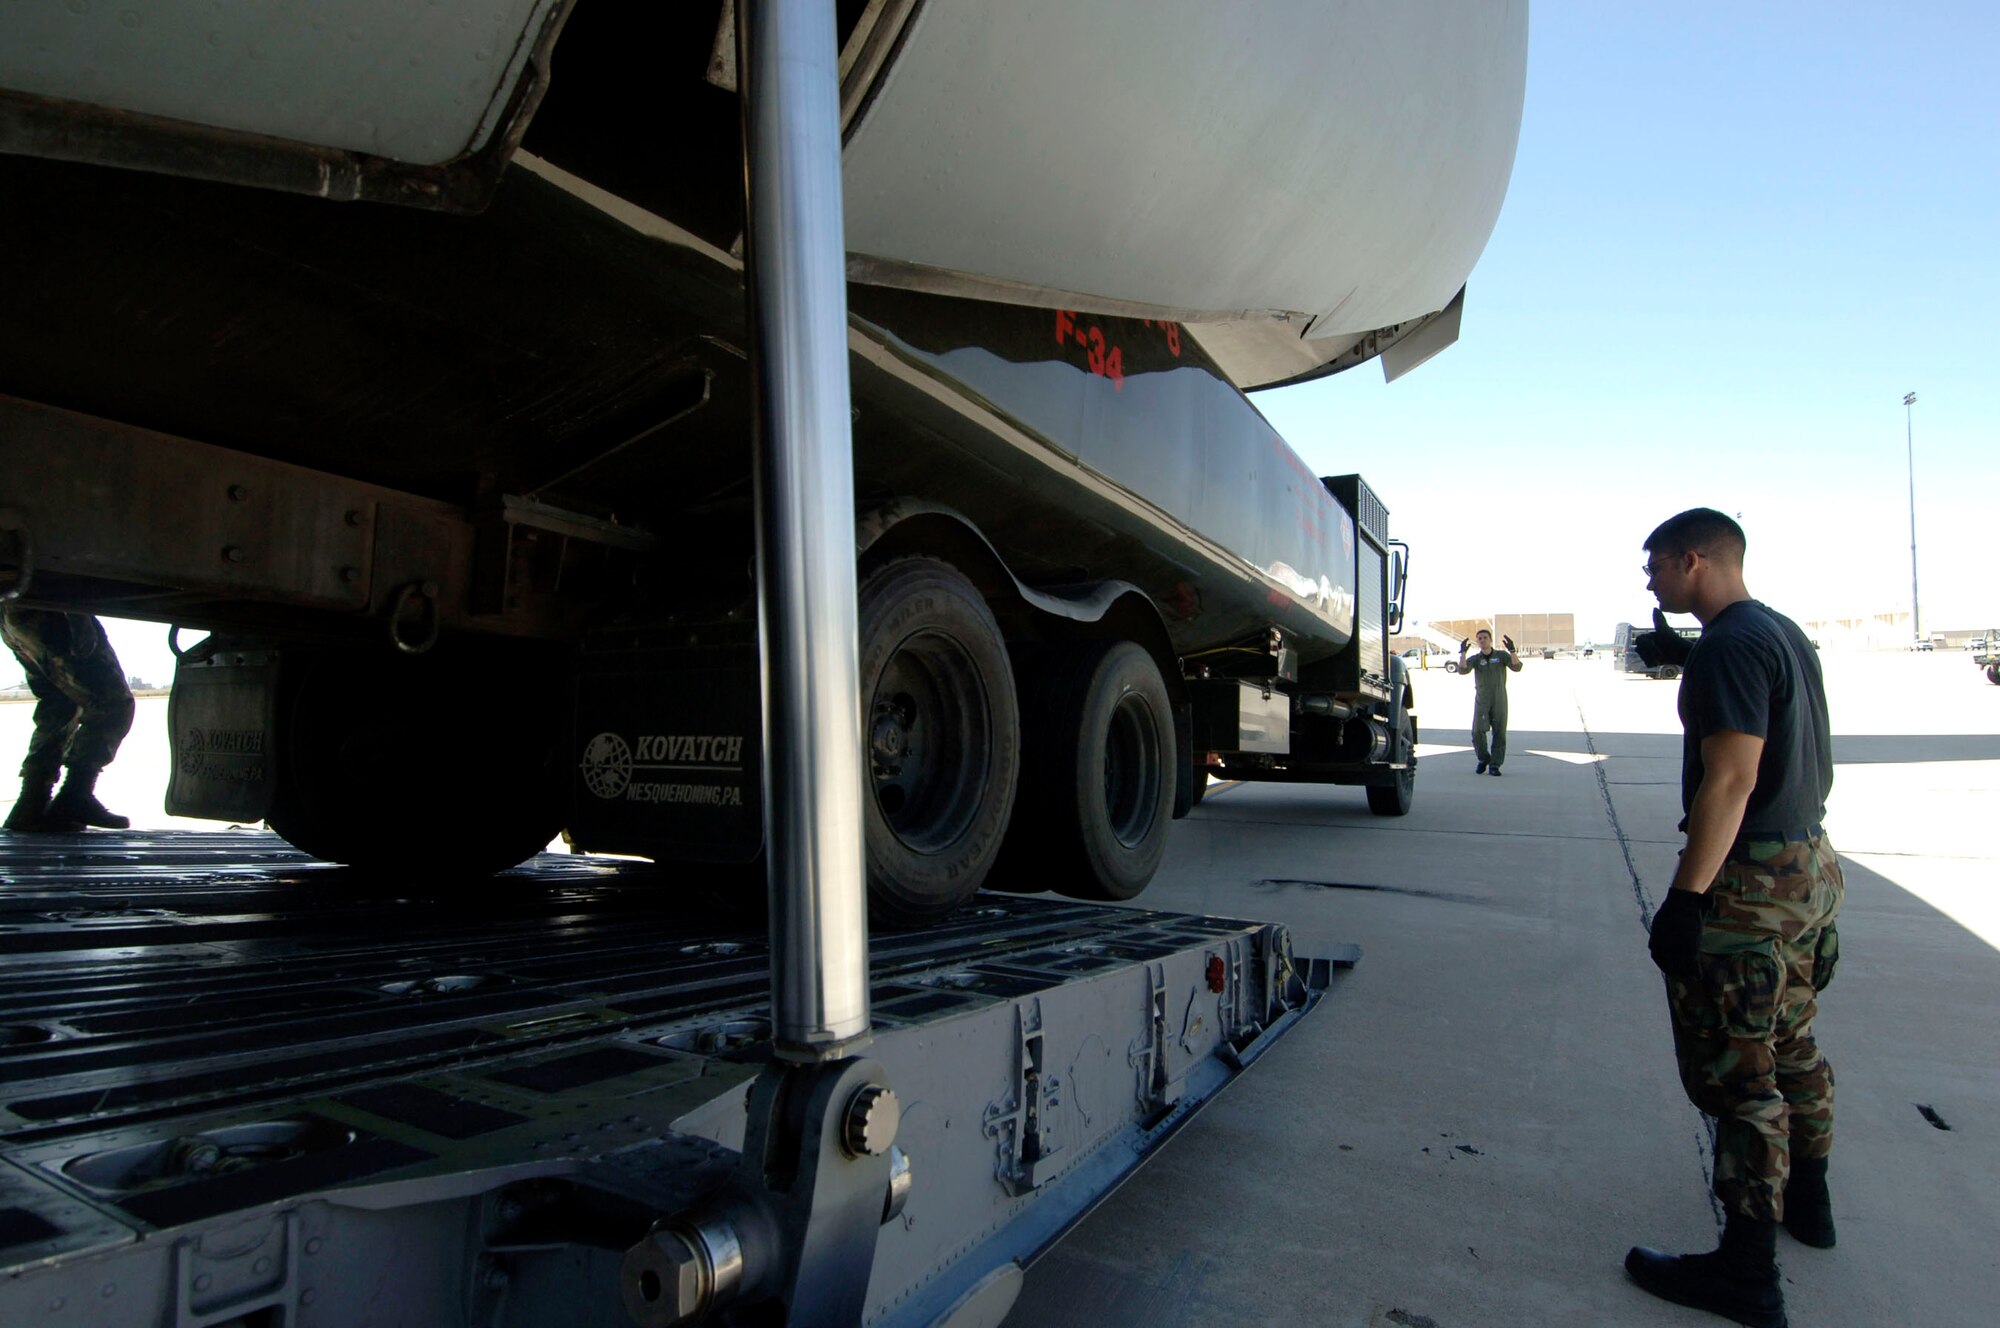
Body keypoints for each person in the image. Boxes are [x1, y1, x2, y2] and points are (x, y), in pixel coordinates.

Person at [1625, 509, 1840, 1328]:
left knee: (1740, 1075)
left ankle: (1747, 1273)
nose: (1649, 583)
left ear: (1694, 561)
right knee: (1792, 1045)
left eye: (1656, 568)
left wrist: (1686, 900)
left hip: (1748, 885)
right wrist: (1689, 657)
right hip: (1807, 866)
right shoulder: (1777, 632)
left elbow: (1731, 780)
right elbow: (1788, 734)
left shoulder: (1729, 647)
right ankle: (1809, 1209)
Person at [1, 608, 134, 832]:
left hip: (14, 612)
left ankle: (32, 802)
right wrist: (77, 614)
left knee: (59, 702)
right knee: (113, 702)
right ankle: (75, 794)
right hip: (50, 606)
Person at [1457, 628, 1523, 775]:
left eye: (1485, 637)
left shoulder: (1501, 656)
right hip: (1482, 700)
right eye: (1479, 638)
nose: (1482, 640)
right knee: (1477, 732)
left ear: (1490, 639)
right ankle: (1483, 758)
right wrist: (1462, 653)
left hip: (1499, 699)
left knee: (1499, 733)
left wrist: (1512, 651)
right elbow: (1462, 670)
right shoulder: (1475, 659)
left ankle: (1495, 765)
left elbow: (1517, 667)